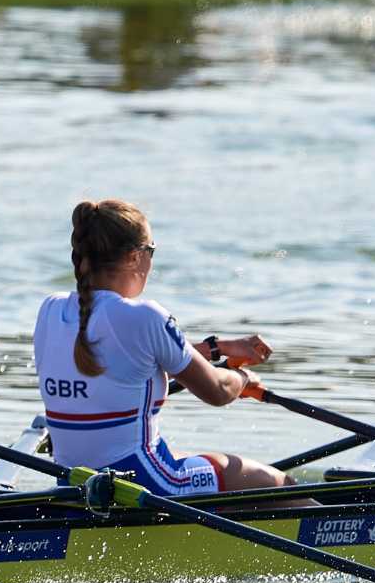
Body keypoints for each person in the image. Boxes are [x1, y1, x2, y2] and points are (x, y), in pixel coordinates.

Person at [33, 199, 290, 495]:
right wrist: (243, 380)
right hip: (146, 485)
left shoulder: (50, 309)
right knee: (278, 484)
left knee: (186, 456)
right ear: (133, 257)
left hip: (75, 485)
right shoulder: (145, 316)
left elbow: (121, 373)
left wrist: (217, 348)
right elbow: (218, 391)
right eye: (151, 250)